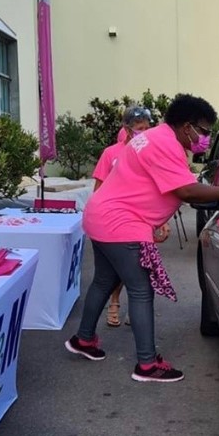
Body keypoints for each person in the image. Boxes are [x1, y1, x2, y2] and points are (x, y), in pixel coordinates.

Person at [65, 93, 219, 383]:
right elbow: (186, 191)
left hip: (101, 217)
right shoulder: (165, 144)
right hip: (121, 224)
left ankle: (83, 339)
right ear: (186, 125)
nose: (204, 138)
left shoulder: (153, 137)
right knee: (140, 290)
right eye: (202, 131)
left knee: (103, 280)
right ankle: (147, 365)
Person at [92, 106, 169, 327]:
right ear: (127, 129)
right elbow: (98, 189)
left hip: (140, 222)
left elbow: (158, 189)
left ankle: (133, 312)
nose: (144, 132)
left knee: (138, 271)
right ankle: (114, 302)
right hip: (114, 222)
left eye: (147, 127)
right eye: (139, 128)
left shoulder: (151, 152)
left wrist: (162, 220)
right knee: (116, 272)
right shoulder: (110, 153)